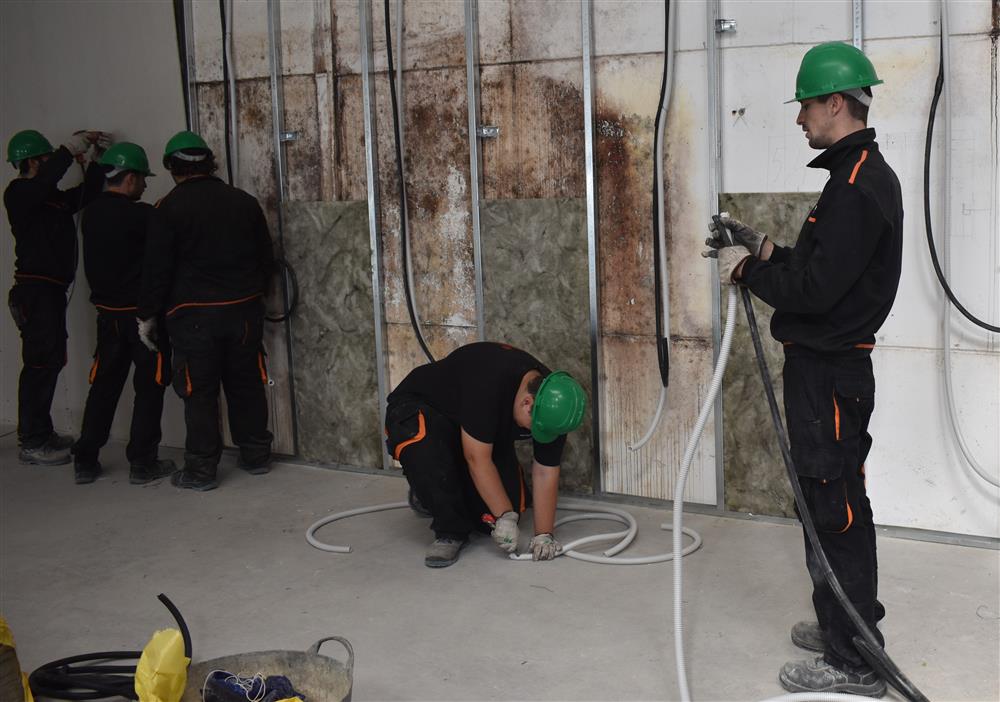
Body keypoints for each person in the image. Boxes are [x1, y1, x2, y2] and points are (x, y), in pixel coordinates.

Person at [705, 42, 902, 697]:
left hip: (829, 374)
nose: (800, 120)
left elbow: (816, 293)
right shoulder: (854, 177)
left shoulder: (855, 186)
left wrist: (751, 271)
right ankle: (847, 624)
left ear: (837, 103)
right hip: (827, 373)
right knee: (828, 501)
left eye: (807, 107)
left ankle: (853, 661)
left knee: (835, 505)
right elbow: (826, 272)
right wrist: (763, 247)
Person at [138, 131, 275, 491]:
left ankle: (200, 471)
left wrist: (147, 315)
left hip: (194, 318)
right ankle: (256, 455)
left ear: (171, 166)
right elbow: (266, 258)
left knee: (199, 392)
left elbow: (156, 270)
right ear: (210, 163)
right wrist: (257, 297)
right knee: (246, 385)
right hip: (244, 313)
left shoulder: (167, 208)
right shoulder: (243, 201)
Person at [384, 341, 586, 568]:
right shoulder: (487, 384)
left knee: (492, 518)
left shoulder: (555, 404)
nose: (534, 433)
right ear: (526, 402)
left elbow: (545, 471)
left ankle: (440, 490)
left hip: (476, 429)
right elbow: (477, 459)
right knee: (427, 453)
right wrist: (505, 517)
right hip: (425, 410)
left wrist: (544, 534)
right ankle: (447, 527)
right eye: (533, 427)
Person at [70, 142, 176, 485]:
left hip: (108, 319)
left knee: (103, 387)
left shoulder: (92, 213)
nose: (145, 185)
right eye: (142, 178)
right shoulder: (143, 216)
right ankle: (142, 464)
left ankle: (85, 459)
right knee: (149, 388)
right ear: (129, 179)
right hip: (142, 321)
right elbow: (161, 262)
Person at [4, 129, 107, 465]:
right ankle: (32, 441)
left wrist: (96, 162)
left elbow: (85, 196)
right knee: (39, 364)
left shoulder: (48, 200)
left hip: (48, 292)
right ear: (33, 161)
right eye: (46, 158)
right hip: (34, 292)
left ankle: (41, 432)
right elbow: (44, 183)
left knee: (49, 360)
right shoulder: (19, 193)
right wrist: (70, 148)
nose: (51, 164)